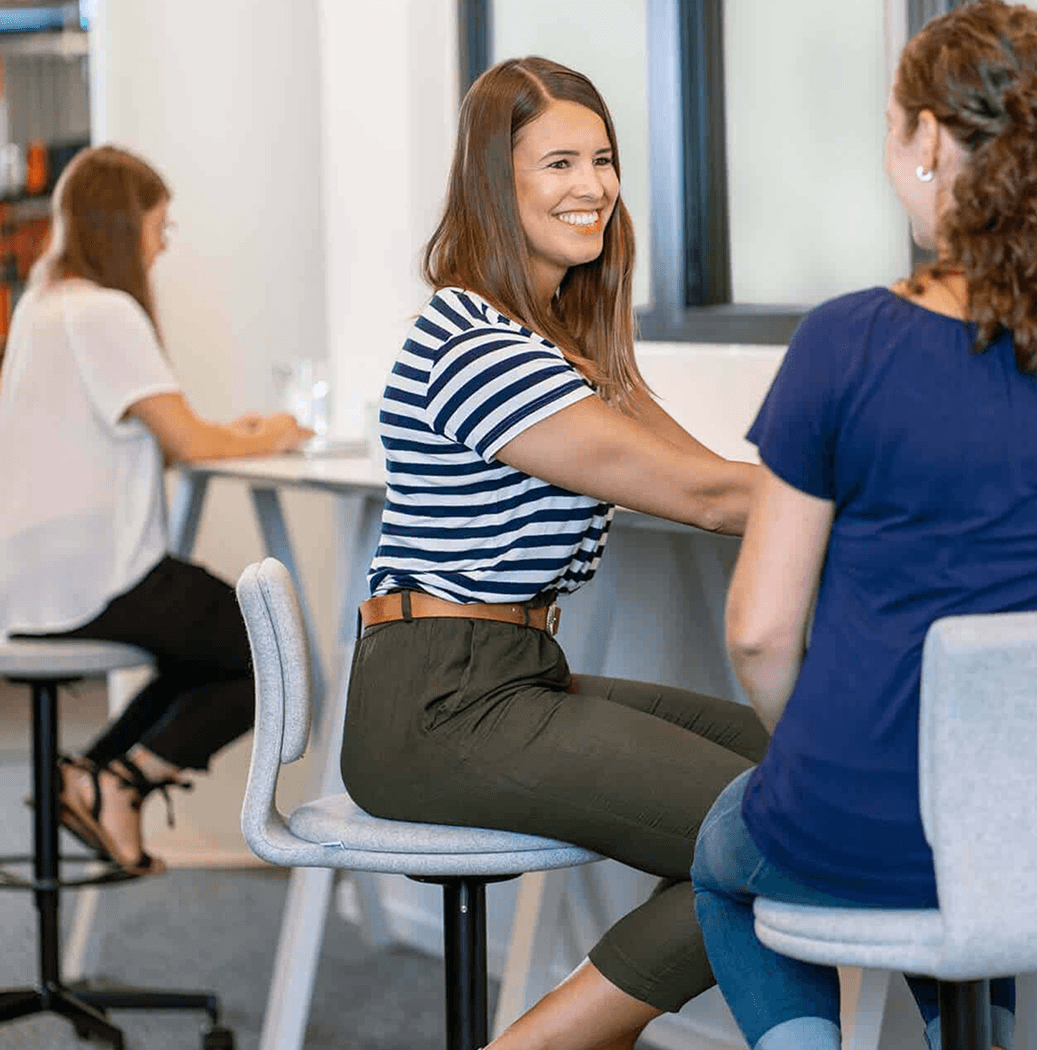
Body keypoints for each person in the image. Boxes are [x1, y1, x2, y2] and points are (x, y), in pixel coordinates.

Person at [688, 3, 1037, 1050]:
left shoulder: (846, 343)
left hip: (855, 816)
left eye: (892, 125)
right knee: (972, 874)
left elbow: (759, 631)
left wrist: (816, 759)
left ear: (932, 141)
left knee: (727, 854)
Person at [337, 57, 764, 1049]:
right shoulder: (474, 342)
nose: (593, 186)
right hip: (437, 704)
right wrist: (914, 497)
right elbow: (707, 499)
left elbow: (703, 473)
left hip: (513, 675)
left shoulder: (567, 343)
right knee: (787, 833)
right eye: (558, 162)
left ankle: (582, 1029)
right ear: (496, 181)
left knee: (789, 772)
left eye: (604, 159)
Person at [0, 145, 311, 875]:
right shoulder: (106, 312)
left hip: (16, 575)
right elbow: (187, 442)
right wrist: (277, 433)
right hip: (84, 577)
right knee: (270, 654)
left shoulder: (44, 303)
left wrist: (235, 435)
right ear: (123, 227)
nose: (163, 244)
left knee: (209, 646)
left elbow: (140, 435)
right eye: (160, 226)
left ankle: (95, 776)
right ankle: (117, 780)